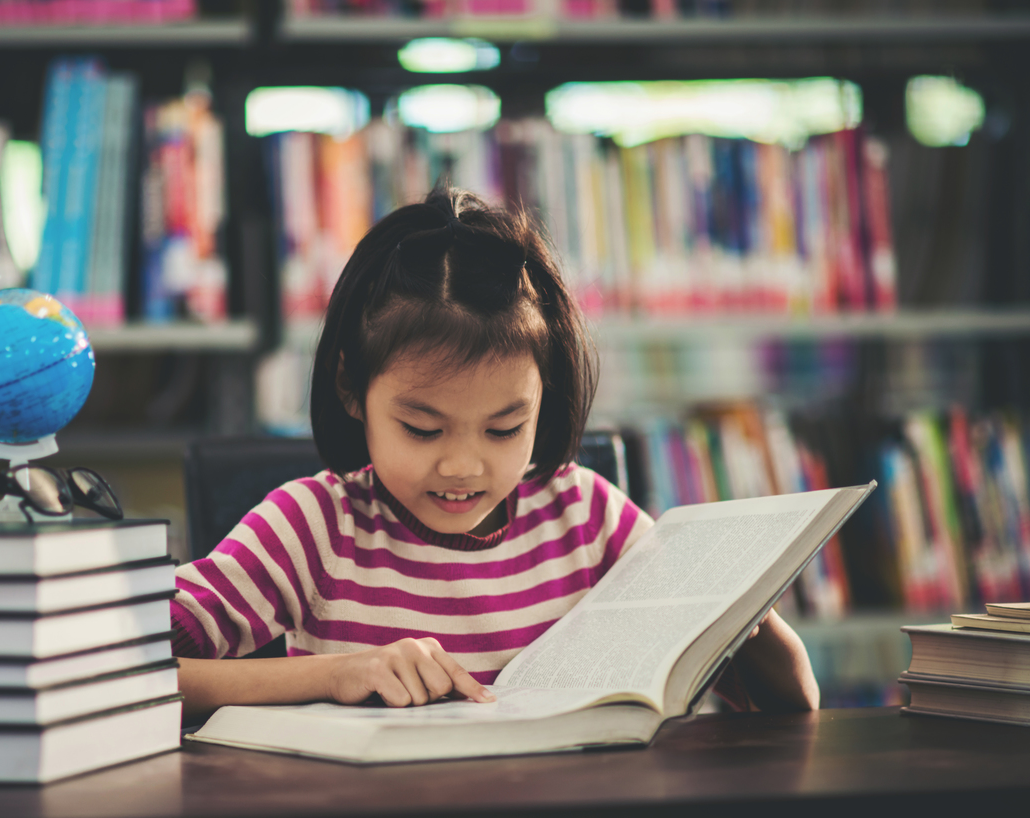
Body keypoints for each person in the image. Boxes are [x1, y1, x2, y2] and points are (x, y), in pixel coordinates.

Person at [172, 185, 820, 717]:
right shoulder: (314, 527)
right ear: (351, 388)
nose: (463, 466)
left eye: (505, 429)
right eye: (423, 429)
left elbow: (788, 714)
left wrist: (748, 622)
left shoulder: (588, 518)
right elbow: (120, 672)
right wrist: (334, 675)